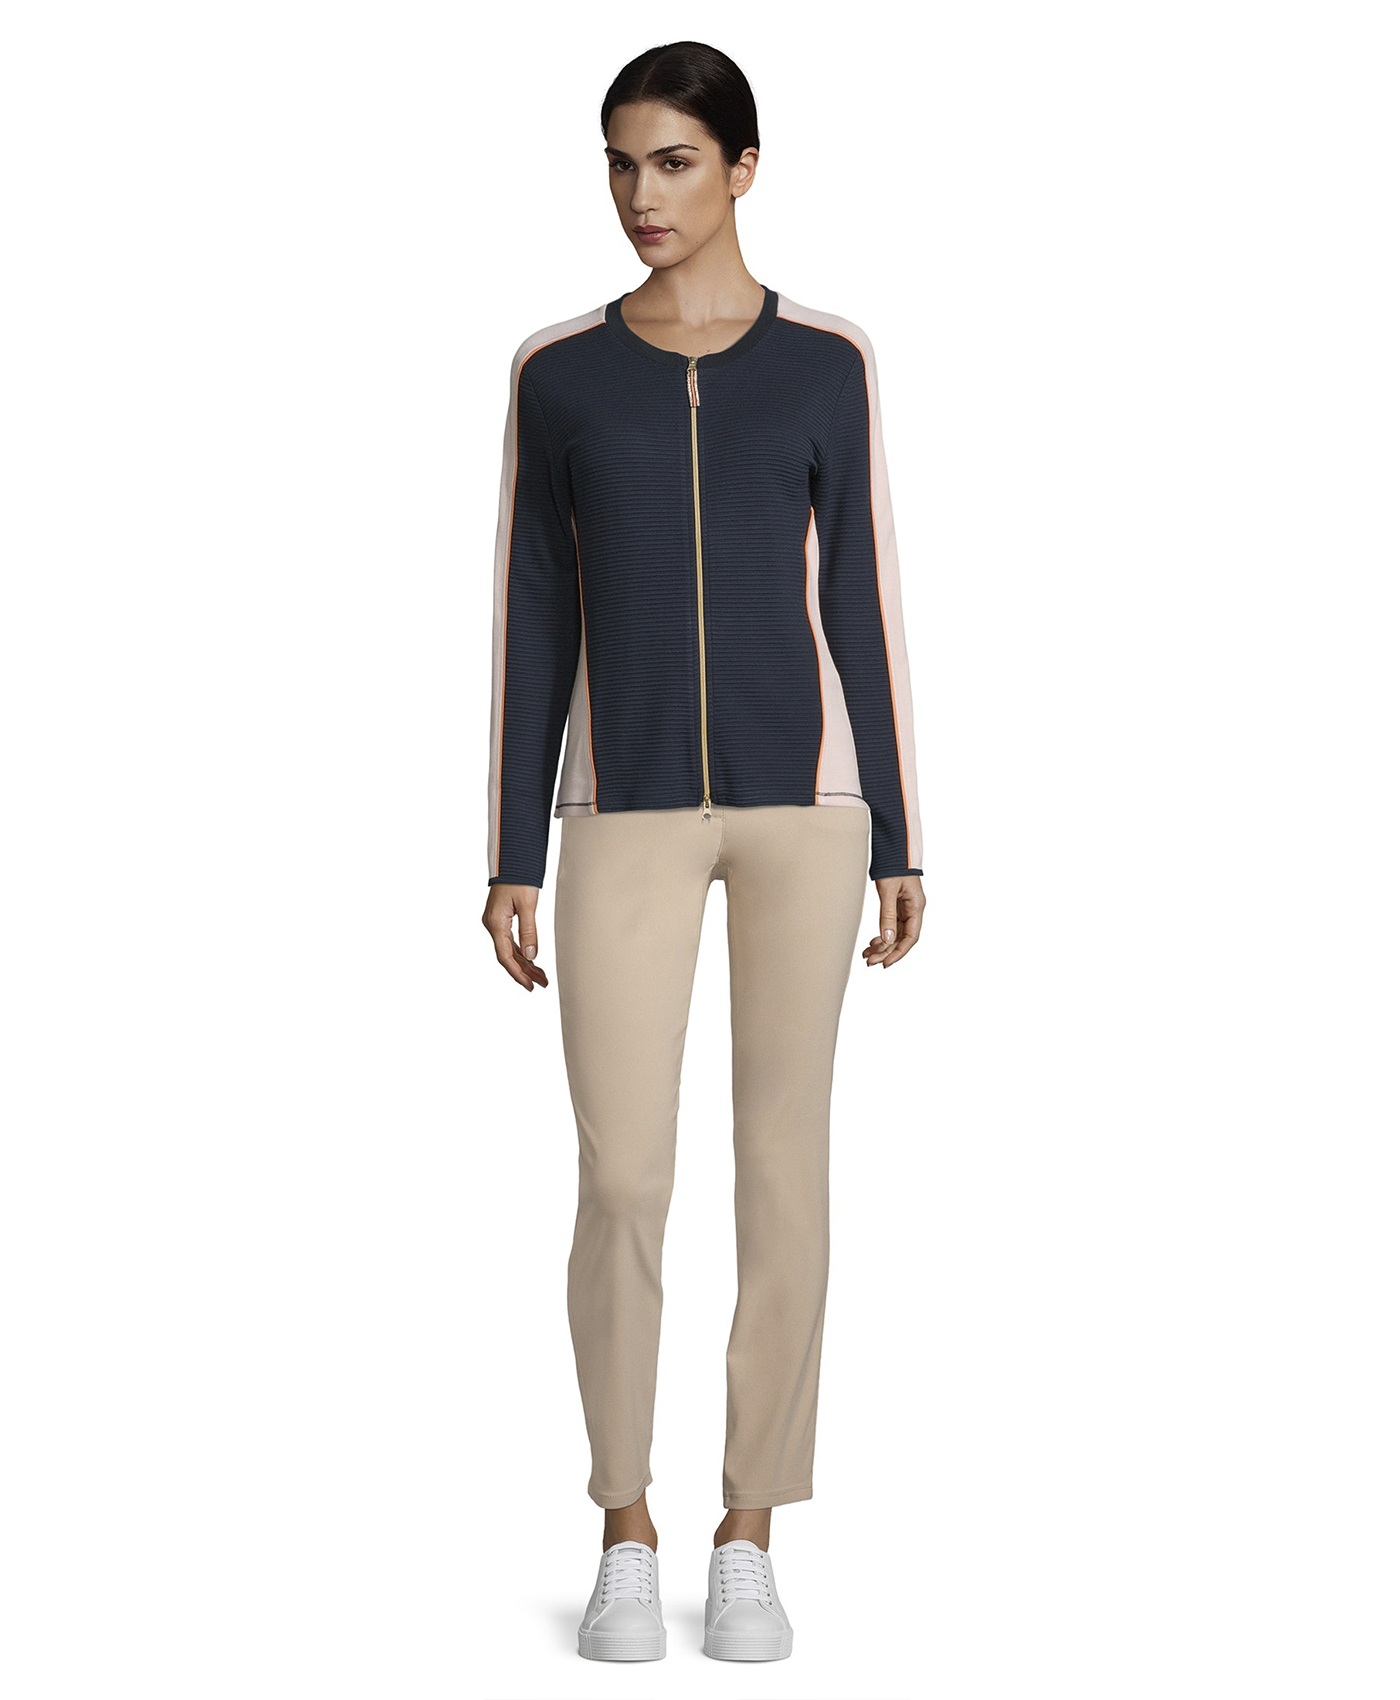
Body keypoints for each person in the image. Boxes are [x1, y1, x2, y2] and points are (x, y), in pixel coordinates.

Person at [481, 40, 926, 1663]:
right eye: (621, 162)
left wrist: (902, 828)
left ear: (743, 167)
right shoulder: (558, 373)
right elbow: (534, 615)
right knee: (622, 1176)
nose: (641, 194)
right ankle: (624, 1523)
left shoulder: (826, 361)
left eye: (674, 160)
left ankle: (749, 1530)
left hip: (810, 809)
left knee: (783, 1167)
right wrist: (512, 847)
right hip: (625, 809)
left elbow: (861, 593)